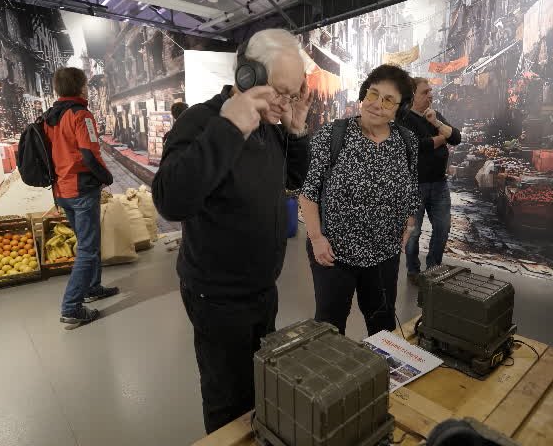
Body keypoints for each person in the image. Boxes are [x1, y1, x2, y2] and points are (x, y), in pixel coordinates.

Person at [152, 29, 311, 434]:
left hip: (262, 290)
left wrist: (296, 134)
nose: (286, 103)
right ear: (247, 76)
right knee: (227, 403)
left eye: (294, 94)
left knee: (259, 388)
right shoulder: (202, 121)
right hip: (217, 297)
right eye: (282, 91)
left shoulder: (271, 125)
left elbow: (293, 179)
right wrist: (229, 130)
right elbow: (170, 200)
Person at [299, 64, 420, 336]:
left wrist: (409, 225)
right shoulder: (332, 136)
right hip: (334, 253)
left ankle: (380, 376)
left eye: (388, 100)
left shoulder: (407, 141)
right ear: (364, 94)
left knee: (382, 324)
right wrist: (317, 239)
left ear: (399, 109)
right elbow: (308, 193)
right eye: (373, 94)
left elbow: (412, 187)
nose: (377, 104)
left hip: (384, 255)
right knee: (329, 327)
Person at [43, 67, 117, 325]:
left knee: (88, 242)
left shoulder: (50, 116)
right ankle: (71, 308)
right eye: (85, 84)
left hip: (61, 190)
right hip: (81, 189)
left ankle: (92, 288)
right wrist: (106, 177)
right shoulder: (80, 115)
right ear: (80, 87)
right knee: (87, 248)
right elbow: (88, 153)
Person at [402, 77, 461, 281]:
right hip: (415, 185)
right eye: (425, 92)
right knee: (414, 232)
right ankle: (413, 270)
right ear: (413, 96)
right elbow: (417, 147)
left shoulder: (435, 116)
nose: (430, 95)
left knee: (443, 229)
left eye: (430, 91)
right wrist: (440, 138)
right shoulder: (404, 119)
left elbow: (456, 138)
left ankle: (433, 267)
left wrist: (436, 123)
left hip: (439, 184)